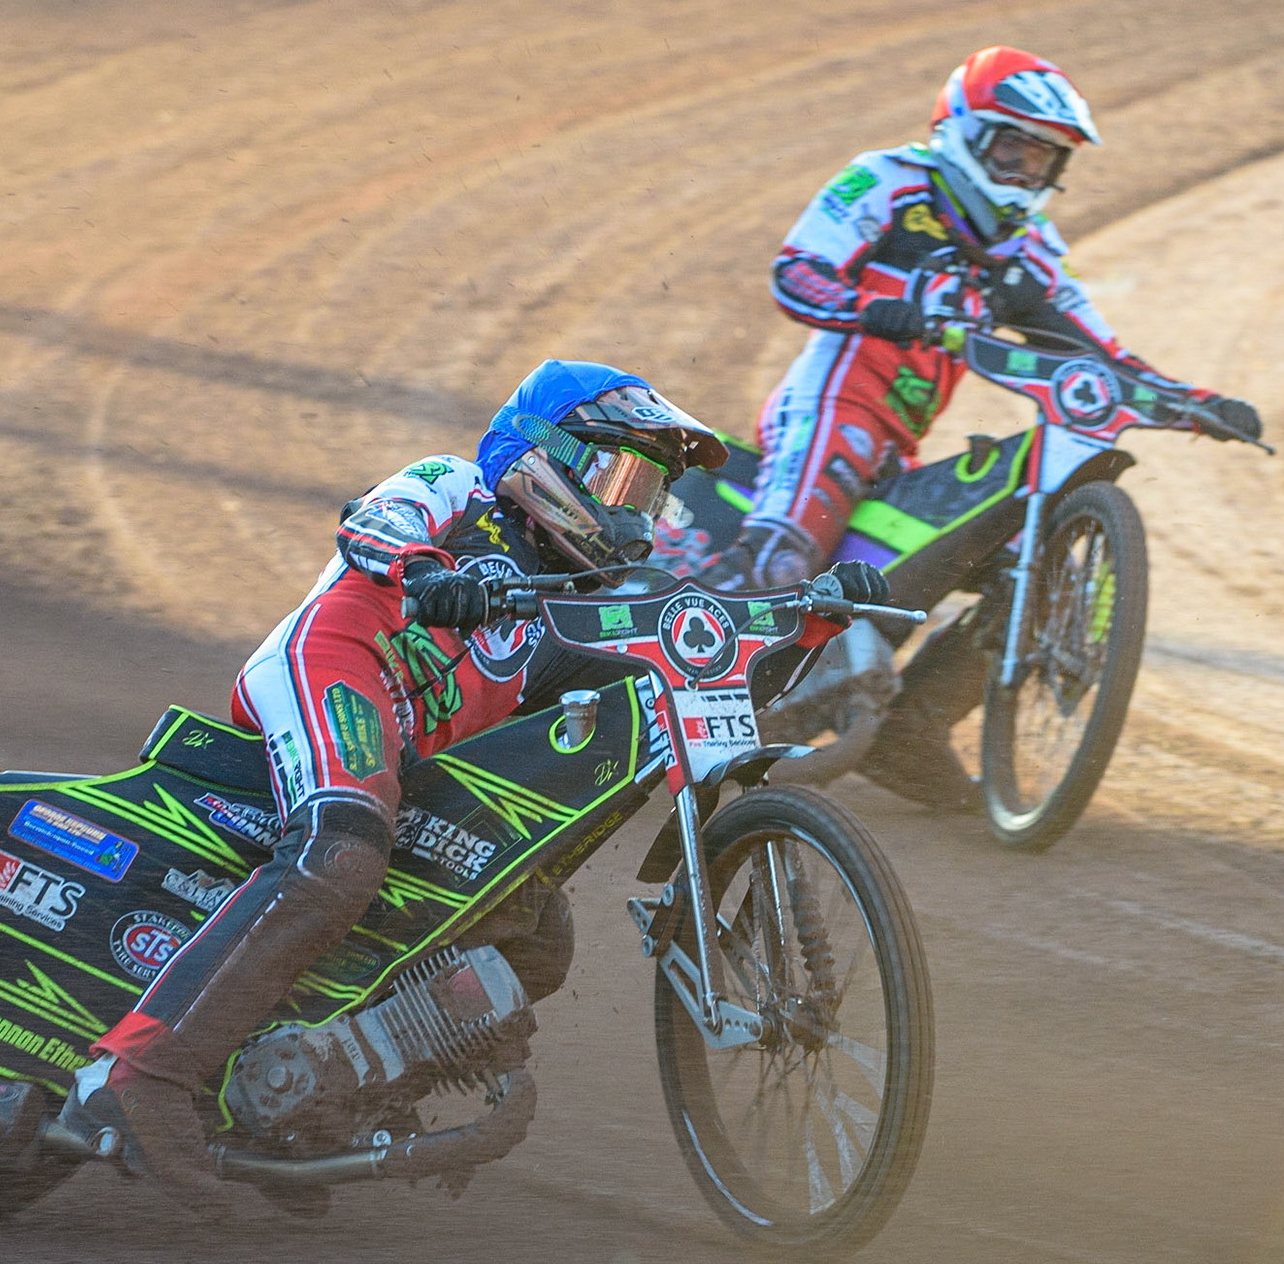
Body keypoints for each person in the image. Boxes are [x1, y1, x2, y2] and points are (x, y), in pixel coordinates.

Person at [66, 360, 878, 1207]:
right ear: (544, 455)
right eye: (620, 479)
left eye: (650, 494)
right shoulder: (457, 487)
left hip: (412, 759)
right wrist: (428, 573)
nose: (632, 511)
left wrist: (813, 621)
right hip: (339, 665)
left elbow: (694, 679)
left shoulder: (576, 605)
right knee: (342, 850)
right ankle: (141, 1075)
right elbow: (371, 524)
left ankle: (317, 1097)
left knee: (533, 931)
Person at [705, 45, 1263, 807]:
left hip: (896, 449)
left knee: (1029, 576)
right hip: (831, 411)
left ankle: (910, 729)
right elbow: (796, 271)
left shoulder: (1028, 251)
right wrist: (873, 309)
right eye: (1014, 148)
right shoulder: (888, 180)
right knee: (782, 564)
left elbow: (1103, 356)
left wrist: (1200, 404)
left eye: (1044, 158)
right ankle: (666, 705)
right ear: (965, 131)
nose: (1027, 170)